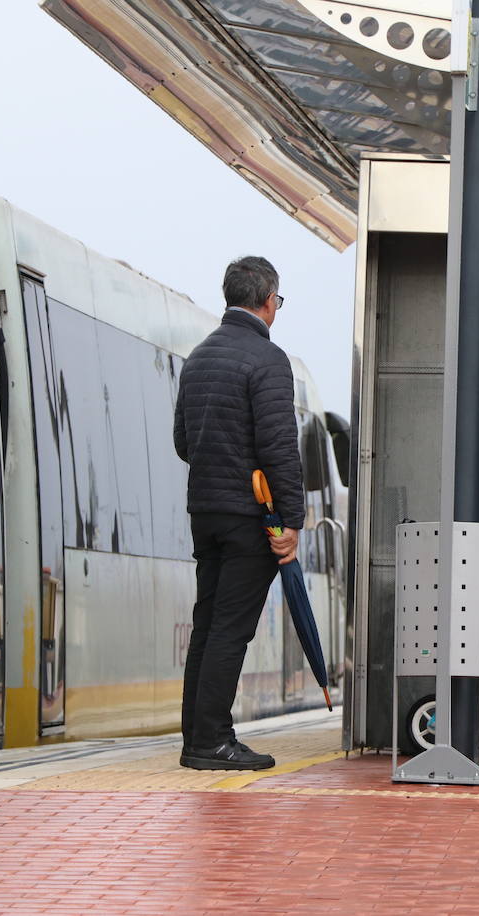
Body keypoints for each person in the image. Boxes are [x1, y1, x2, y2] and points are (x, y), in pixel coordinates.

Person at [172, 256, 302, 770]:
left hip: (205, 512)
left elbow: (184, 442)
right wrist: (291, 522)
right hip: (252, 516)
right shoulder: (268, 360)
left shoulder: (198, 358)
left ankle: (197, 738)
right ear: (268, 301)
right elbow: (279, 448)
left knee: (208, 624)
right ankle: (212, 742)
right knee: (232, 629)